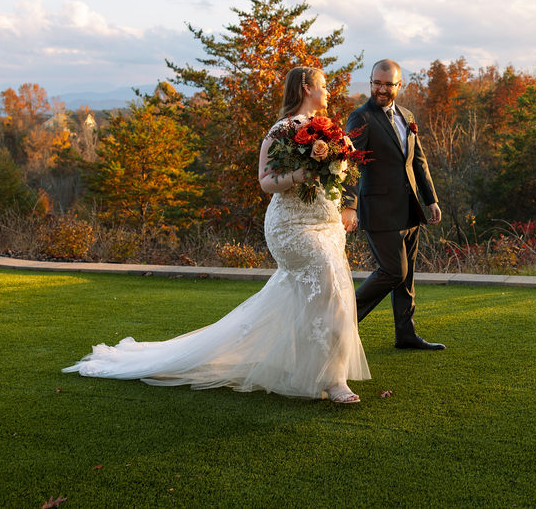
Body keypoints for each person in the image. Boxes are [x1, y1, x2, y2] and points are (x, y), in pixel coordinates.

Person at [63, 66, 369, 403]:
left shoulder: (332, 131)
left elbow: (345, 175)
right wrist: (299, 173)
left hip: (326, 225)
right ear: (307, 88)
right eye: (323, 86)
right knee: (328, 286)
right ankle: (332, 379)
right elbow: (266, 182)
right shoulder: (281, 131)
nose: (328, 92)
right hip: (292, 228)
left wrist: (345, 200)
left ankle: (314, 370)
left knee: (334, 295)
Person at [341, 59, 445, 350]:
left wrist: (431, 200)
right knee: (393, 271)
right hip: (378, 211)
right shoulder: (360, 118)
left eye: (388, 84)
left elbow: (418, 161)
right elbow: (351, 165)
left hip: (409, 209)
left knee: (407, 277)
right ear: (371, 81)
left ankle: (406, 334)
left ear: (400, 85)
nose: (382, 89)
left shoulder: (407, 115)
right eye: (377, 83)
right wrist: (349, 205)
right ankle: (341, 322)